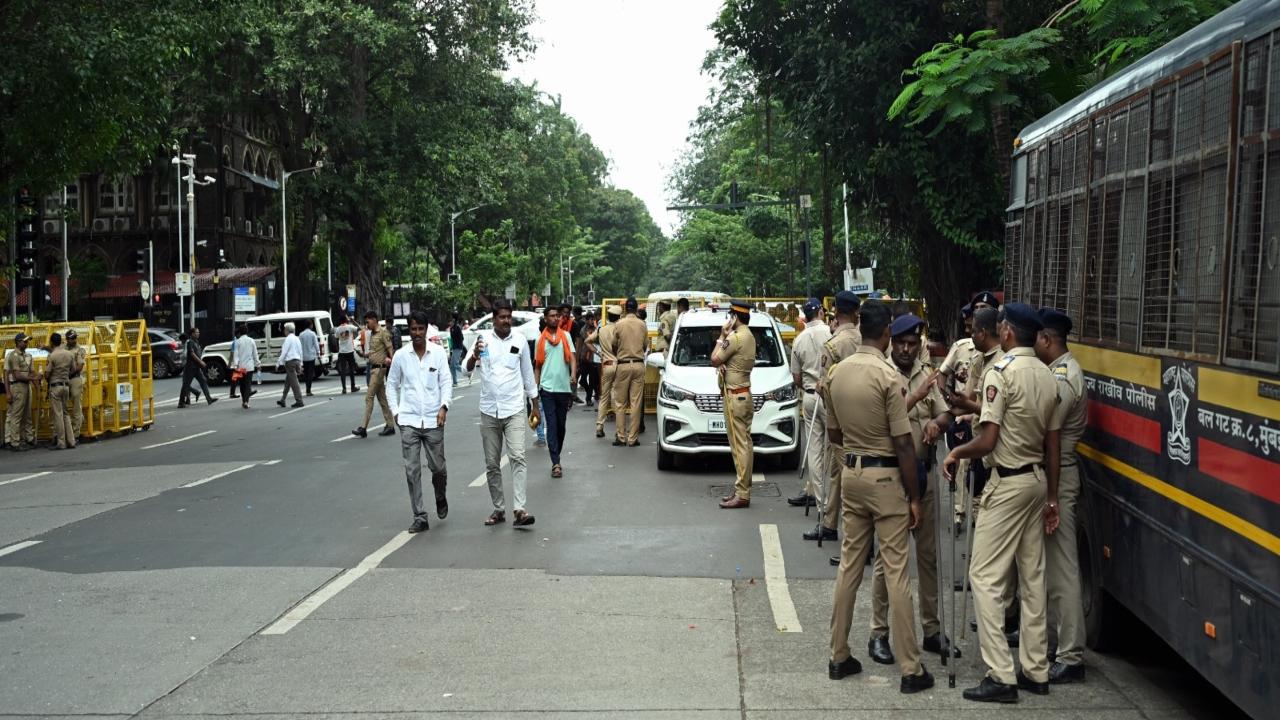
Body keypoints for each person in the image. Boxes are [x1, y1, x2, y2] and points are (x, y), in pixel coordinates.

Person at [944, 303, 1061, 703]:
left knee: (984, 577)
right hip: (1036, 480)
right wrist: (1051, 497)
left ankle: (1001, 674)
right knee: (1032, 579)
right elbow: (1053, 444)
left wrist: (958, 455)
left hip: (1008, 483)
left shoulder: (1001, 372)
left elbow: (989, 440)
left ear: (1007, 332)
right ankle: (1036, 669)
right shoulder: (1048, 375)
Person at [825, 300, 933, 694]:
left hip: (851, 474)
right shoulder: (890, 377)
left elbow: (834, 434)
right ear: (886, 333)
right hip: (887, 478)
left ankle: (838, 654)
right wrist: (915, 497)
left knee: (850, 566)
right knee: (897, 572)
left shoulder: (837, 373)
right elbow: (905, 445)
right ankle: (911, 668)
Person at [867, 313, 955, 665]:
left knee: (929, 556)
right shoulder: (882, 373)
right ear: (891, 341)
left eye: (911, 344)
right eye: (900, 343)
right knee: (888, 560)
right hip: (892, 479)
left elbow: (946, 413)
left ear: (918, 344)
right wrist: (917, 397)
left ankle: (932, 630)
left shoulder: (926, 373)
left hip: (925, 473)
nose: (905, 349)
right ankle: (879, 633)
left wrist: (936, 422)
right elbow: (882, 421)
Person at [1036, 307, 1088, 684]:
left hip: (1061, 476)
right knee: (1050, 571)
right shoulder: (1058, 373)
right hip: (1053, 475)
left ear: (1046, 339)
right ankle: (1055, 647)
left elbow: (1046, 429)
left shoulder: (1065, 378)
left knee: (1063, 570)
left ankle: (1071, 655)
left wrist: (1052, 495)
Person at [466, 299, 540, 527]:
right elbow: (464, 368)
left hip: (515, 408)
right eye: (502, 317)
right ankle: (499, 509)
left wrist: (535, 404)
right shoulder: (482, 340)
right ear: (493, 319)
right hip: (489, 410)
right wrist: (475, 357)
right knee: (492, 463)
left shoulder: (519, 340)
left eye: (509, 317)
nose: (506, 321)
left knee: (518, 456)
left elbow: (528, 374)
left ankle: (520, 509)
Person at [387, 310, 453, 534]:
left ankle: (440, 495)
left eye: (420, 329)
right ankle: (420, 515)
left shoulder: (437, 353)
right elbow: (391, 384)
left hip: (434, 419)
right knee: (411, 470)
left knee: (438, 468)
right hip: (409, 421)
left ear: (426, 329)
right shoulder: (400, 356)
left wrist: (444, 406)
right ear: (409, 329)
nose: (417, 333)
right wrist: (396, 412)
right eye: (413, 329)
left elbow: (446, 381)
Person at [812, 291, 863, 552]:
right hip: (864, 420)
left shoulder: (833, 346)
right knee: (837, 473)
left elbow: (824, 387)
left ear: (836, 313)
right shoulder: (865, 339)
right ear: (855, 313)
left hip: (839, 423)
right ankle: (830, 524)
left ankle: (853, 537)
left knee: (846, 475)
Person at [947, 306, 1002, 528]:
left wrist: (967, 406)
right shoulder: (980, 359)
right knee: (978, 502)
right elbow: (968, 399)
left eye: (974, 330)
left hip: (994, 451)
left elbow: (994, 411)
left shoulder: (1001, 363)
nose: (970, 335)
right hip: (980, 446)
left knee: (983, 510)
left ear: (984, 333)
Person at [787, 298, 832, 511]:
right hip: (832, 397)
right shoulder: (833, 334)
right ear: (821, 313)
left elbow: (796, 377)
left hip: (811, 396)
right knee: (833, 449)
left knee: (814, 450)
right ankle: (833, 501)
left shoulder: (799, 339)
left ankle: (820, 500)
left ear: (805, 316)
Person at [714, 299, 757, 509]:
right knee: (746, 444)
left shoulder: (735, 337)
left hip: (734, 397)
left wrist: (722, 335)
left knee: (739, 446)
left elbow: (714, 359)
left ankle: (742, 493)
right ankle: (743, 487)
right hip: (745, 394)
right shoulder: (749, 336)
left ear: (734, 317)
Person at [534, 305, 577, 477]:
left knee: (561, 426)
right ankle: (556, 462)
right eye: (551, 316)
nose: (555, 318)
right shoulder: (540, 340)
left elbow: (572, 358)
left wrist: (573, 374)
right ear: (545, 319)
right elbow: (537, 366)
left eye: (557, 316)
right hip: (547, 389)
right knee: (551, 425)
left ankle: (556, 453)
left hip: (563, 388)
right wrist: (534, 390)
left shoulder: (566, 336)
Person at [610, 297, 648, 447]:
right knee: (636, 403)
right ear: (637, 308)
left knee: (620, 402)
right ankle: (633, 438)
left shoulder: (619, 324)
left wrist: (620, 353)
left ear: (625, 309)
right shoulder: (642, 324)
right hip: (639, 365)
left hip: (623, 365)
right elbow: (645, 346)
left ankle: (621, 436)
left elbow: (614, 345)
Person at [353, 310, 396, 437]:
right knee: (382, 399)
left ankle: (363, 428)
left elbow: (390, 349)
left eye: (368, 322)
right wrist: (363, 355)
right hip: (373, 368)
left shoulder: (383, 333)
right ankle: (390, 425)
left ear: (374, 320)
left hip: (379, 369)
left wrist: (392, 362)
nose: (366, 325)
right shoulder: (372, 334)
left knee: (369, 397)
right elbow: (374, 352)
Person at [588, 306, 621, 439]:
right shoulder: (620, 329)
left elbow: (587, 341)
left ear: (607, 316)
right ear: (619, 317)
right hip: (619, 366)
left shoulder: (601, 329)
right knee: (617, 398)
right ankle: (619, 431)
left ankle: (599, 426)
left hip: (606, 365)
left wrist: (598, 352)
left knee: (604, 397)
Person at [44, 332, 79, 450]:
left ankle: (61, 442)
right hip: (66, 386)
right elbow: (73, 369)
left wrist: (48, 375)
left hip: (55, 386)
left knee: (58, 414)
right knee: (65, 413)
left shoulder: (52, 355)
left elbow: (47, 373)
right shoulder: (69, 354)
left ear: (52, 343)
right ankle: (71, 441)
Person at [5, 332, 36, 451]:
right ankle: (14, 442)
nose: (27, 343)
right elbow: (15, 375)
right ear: (18, 342)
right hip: (17, 386)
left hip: (26, 386)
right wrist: (8, 392)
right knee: (15, 415)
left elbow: (32, 372)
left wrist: (36, 383)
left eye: (27, 341)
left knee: (27, 414)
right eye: (25, 341)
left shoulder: (28, 356)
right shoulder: (13, 356)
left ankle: (28, 438)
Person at [178, 327, 217, 407]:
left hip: (196, 367)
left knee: (203, 381)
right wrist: (201, 362)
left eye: (198, 332)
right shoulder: (190, 342)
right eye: (196, 332)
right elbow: (192, 354)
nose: (198, 333)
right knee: (186, 385)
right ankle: (181, 403)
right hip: (190, 368)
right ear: (192, 334)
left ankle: (209, 399)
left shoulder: (196, 342)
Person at [275, 322, 305, 408]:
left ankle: (299, 400)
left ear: (287, 330)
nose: (284, 331)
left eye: (284, 330)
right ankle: (283, 400)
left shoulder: (288, 339)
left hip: (290, 362)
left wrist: (278, 363)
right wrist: (301, 363)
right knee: (288, 381)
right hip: (297, 361)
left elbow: (284, 352)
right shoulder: (297, 338)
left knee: (294, 382)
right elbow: (300, 351)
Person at [66, 329, 87, 439]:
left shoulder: (80, 350)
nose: (74, 340)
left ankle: (75, 434)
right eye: (71, 338)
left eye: (75, 338)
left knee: (76, 407)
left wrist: (67, 374)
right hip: (64, 380)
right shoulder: (63, 349)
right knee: (64, 407)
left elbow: (79, 367)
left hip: (74, 379)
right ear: (67, 339)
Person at [233, 323, 260, 409]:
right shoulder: (251, 340)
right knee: (248, 384)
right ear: (247, 331)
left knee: (242, 385)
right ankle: (246, 402)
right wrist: (258, 364)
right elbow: (255, 354)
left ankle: (243, 401)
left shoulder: (237, 342)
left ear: (240, 332)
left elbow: (236, 355)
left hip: (240, 366)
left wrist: (235, 365)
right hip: (249, 366)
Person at [335, 314, 360, 394]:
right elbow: (359, 328)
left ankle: (344, 388)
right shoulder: (350, 327)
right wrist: (353, 321)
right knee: (352, 369)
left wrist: (338, 348)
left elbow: (336, 339)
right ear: (346, 320)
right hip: (350, 351)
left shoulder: (338, 329)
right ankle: (353, 387)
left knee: (343, 370)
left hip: (342, 352)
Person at [578, 313, 599, 407]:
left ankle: (589, 398)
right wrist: (577, 358)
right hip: (584, 357)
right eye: (589, 319)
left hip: (593, 358)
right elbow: (580, 344)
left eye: (592, 319)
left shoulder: (596, 329)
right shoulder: (583, 330)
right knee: (582, 379)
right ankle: (589, 392)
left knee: (592, 380)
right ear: (586, 320)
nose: (591, 321)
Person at [299, 319, 320, 396]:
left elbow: (299, 346)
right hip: (311, 356)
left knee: (306, 373)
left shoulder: (301, 334)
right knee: (310, 373)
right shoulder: (312, 334)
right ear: (310, 325)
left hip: (304, 357)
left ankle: (307, 388)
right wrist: (318, 353)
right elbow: (316, 344)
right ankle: (308, 390)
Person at [448, 314, 465, 386]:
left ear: (453, 321)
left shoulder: (457, 328)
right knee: (452, 366)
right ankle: (455, 382)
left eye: (451, 321)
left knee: (455, 364)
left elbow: (462, 338)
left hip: (458, 348)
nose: (449, 323)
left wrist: (458, 343)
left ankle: (467, 372)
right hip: (455, 348)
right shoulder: (451, 328)